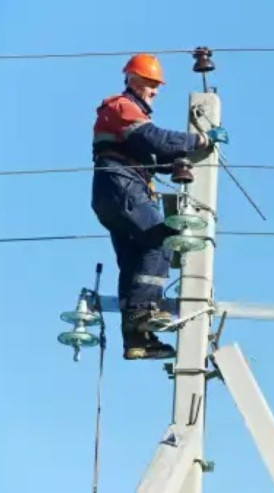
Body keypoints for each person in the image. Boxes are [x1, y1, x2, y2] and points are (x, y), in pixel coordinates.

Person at [90, 53, 228, 360]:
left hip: (114, 191)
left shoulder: (126, 116)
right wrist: (201, 141)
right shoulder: (121, 106)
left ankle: (137, 339)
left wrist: (176, 161)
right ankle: (143, 312)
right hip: (122, 186)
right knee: (163, 238)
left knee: (135, 259)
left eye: (157, 85)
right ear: (133, 79)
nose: (155, 91)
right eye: (151, 84)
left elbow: (152, 155)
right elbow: (154, 140)